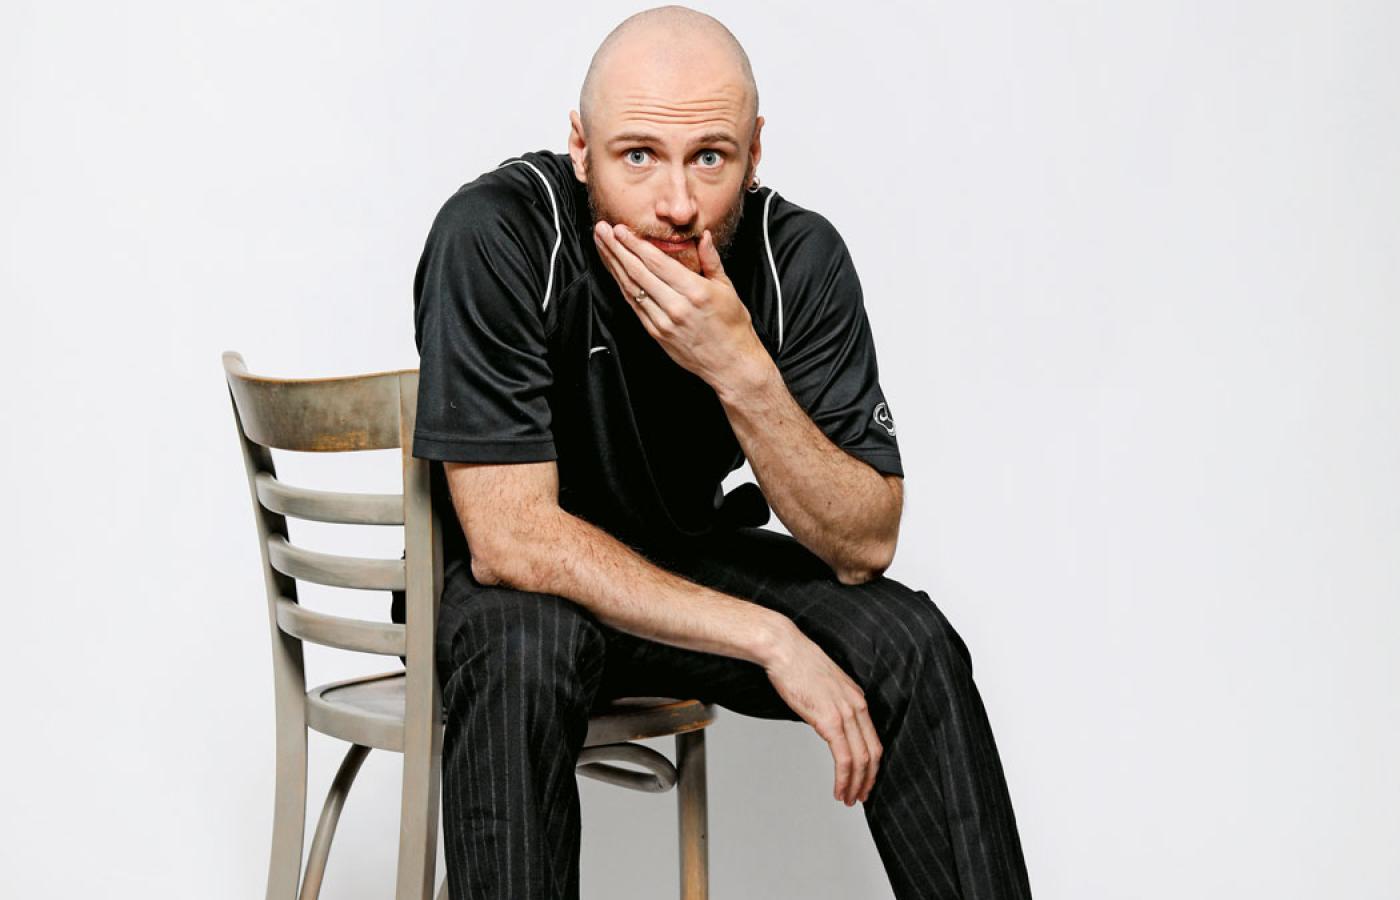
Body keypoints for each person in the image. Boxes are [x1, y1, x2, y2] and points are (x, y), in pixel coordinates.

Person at [404, 6, 1032, 898]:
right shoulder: (497, 232)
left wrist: (742, 371)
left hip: (683, 562)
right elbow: (512, 540)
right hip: (516, 592)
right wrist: (769, 637)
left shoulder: (794, 257)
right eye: (637, 156)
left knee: (910, 641)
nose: (676, 203)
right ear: (580, 148)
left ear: (755, 152)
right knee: (524, 645)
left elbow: (864, 543)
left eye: (709, 157)